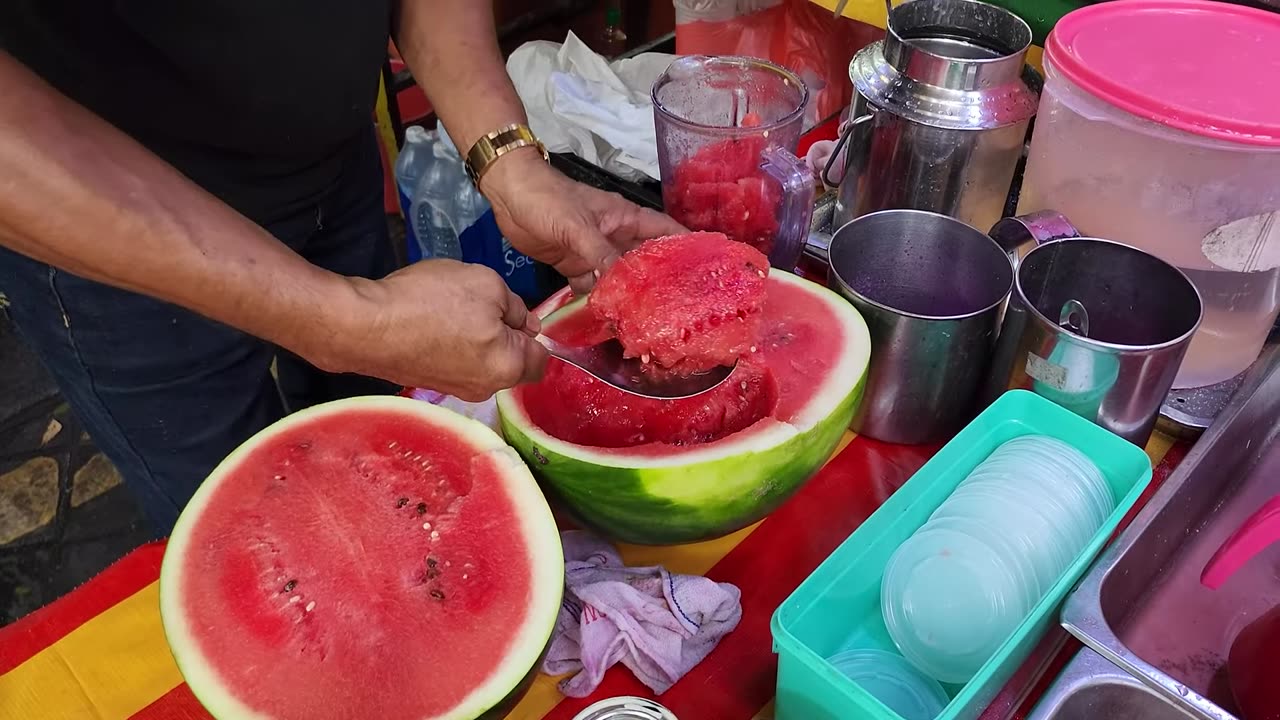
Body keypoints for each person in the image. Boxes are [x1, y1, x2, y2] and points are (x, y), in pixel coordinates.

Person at [0, 2, 683, 534]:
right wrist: (342, 321)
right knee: (249, 525)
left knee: (394, 474)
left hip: (333, 168)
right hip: (112, 241)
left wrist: (510, 165)